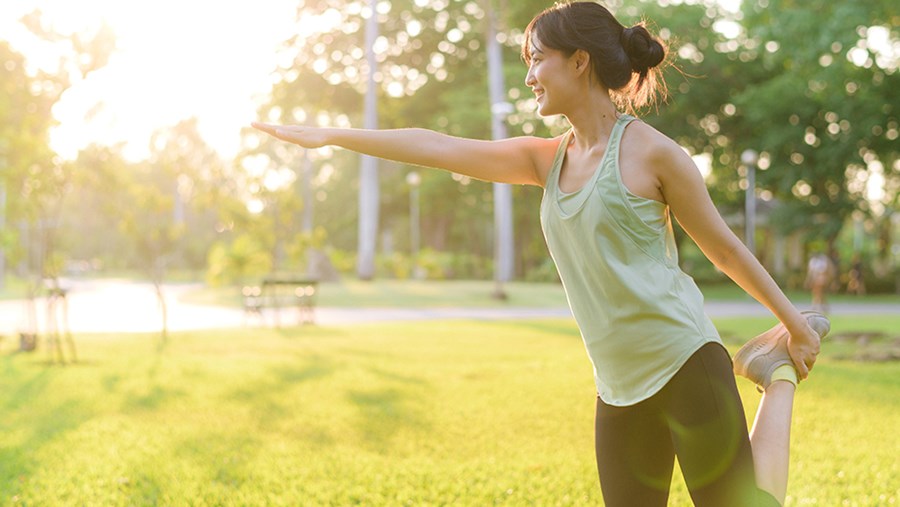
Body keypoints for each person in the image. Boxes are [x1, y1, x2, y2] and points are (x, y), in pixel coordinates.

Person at [253, 2, 829, 505]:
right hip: (617, 386)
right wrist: (332, 135)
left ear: (579, 61)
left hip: (684, 360)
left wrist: (792, 325)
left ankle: (773, 374)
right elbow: (437, 146)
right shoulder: (544, 159)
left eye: (537, 58)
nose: (529, 74)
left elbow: (724, 250)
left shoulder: (654, 154)